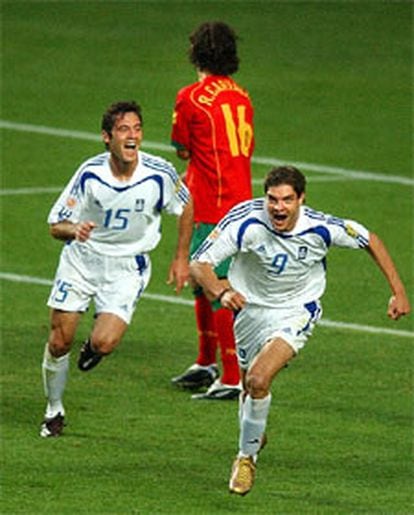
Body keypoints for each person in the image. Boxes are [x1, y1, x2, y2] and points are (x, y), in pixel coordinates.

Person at [190, 165, 411, 495]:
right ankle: (253, 433)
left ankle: (245, 458)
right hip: (249, 310)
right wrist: (221, 291)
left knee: (257, 379)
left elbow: (370, 239)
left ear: (301, 199)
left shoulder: (321, 226)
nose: (278, 208)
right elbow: (199, 263)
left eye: (287, 200)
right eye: (272, 199)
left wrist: (399, 290)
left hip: (297, 309)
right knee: (251, 392)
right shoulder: (246, 221)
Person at [40, 100, 193, 437]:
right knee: (59, 342)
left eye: (137, 129)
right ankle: (54, 410)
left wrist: (181, 257)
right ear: (106, 138)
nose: (132, 136)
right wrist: (74, 230)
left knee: (105, 343)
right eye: (124, 129)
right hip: (82, 261)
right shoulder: (89, 173)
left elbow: (185, 206)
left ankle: (93, 347)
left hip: (127, 267)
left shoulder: (159, 173)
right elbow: (55, 225)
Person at [170, 21, 254, 400]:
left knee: (215, 284)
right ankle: (206, 361)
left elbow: (182, 148)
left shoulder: (191, 97)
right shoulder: (242, 96)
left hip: (210, 202)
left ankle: (233, 375)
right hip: (241, 198)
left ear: (196, 53)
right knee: (202, 283)